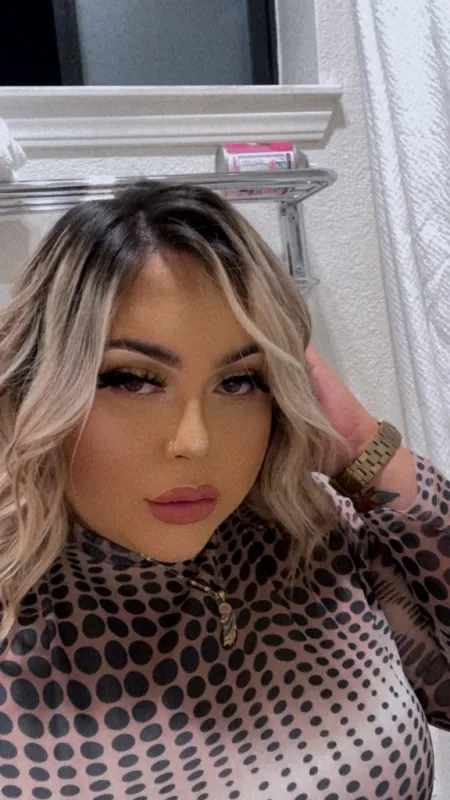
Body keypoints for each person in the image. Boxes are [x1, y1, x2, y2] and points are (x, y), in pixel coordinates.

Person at [0, 182, 447, 800]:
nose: (195, 442)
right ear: (39, 386)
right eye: (132, 379)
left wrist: (361, 445)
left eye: (239, 382)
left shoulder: (313, 536)